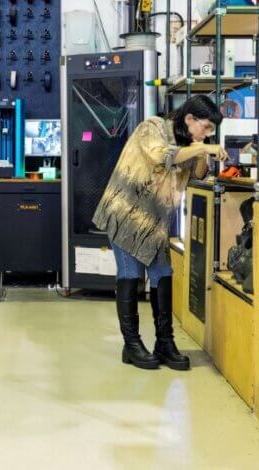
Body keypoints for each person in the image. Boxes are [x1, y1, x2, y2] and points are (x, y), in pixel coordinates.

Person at [93, 95, 228, 371]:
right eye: (206, 127)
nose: (208, 132)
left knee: (163, 275)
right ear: (189, 119)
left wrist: (202, 149)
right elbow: (161, 156)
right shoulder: (152, 127)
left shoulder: (190, 143)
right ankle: (131, 345)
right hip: (127, 214)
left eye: (212, 130)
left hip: (155, 222)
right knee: (130, 275)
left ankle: (164, 343)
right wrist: (204, 146)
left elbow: (198, 175)